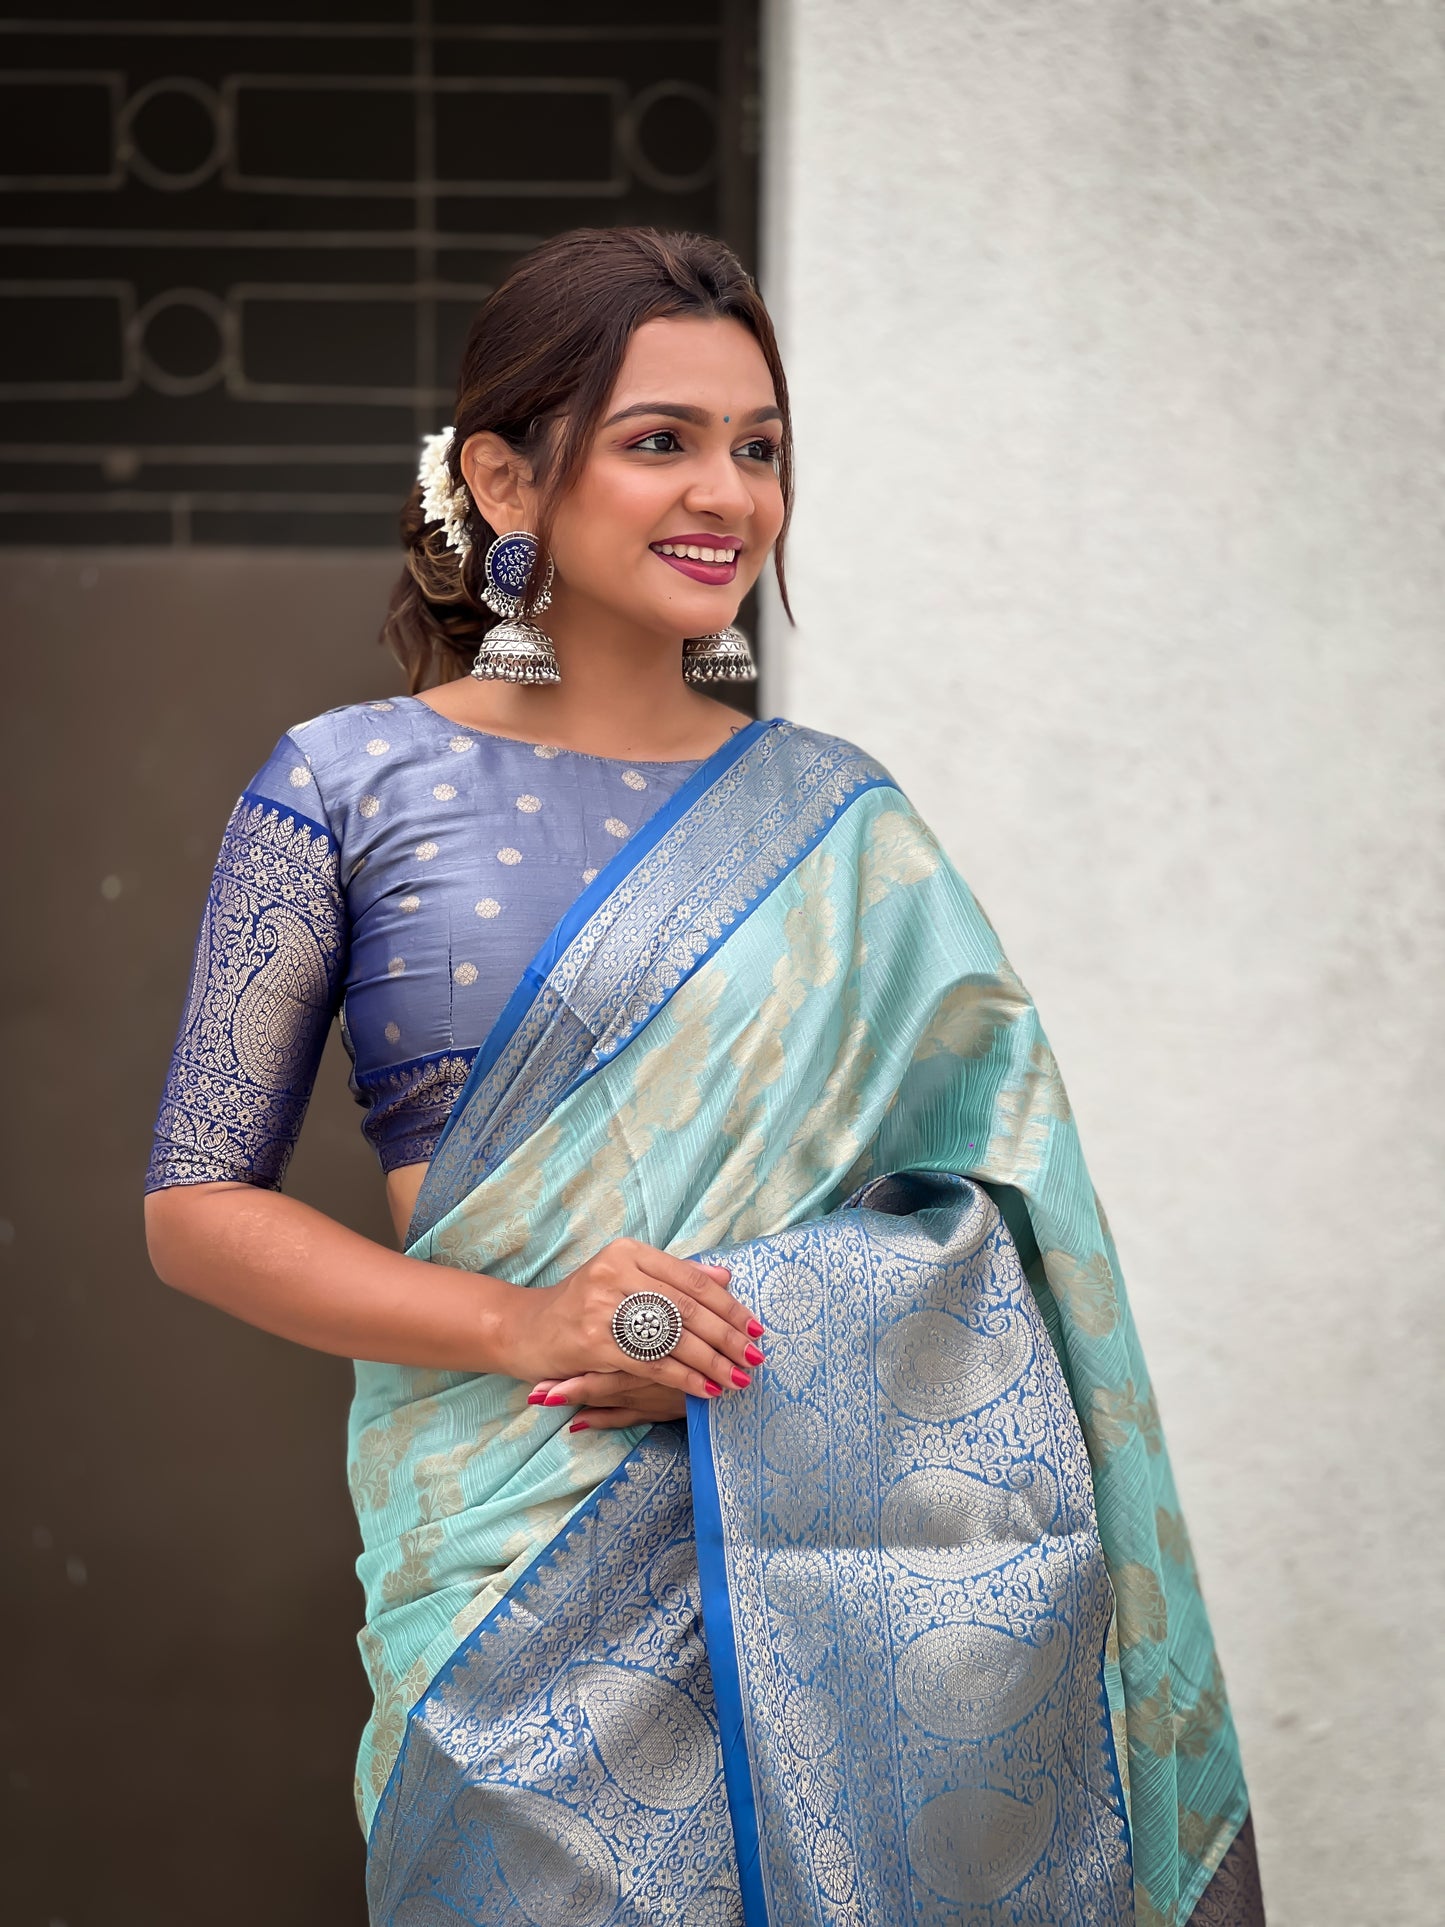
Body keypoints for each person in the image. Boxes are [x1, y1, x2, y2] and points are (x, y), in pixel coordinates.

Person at [143, 226, 1263, 1926]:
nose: (726, 494)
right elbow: (195, 1208)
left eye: (759, 447)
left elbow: (1005, 1226)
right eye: (660, 439)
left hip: (835, 1576)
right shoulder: (344, 788)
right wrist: (527, 1324)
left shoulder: (842, 825)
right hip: (501, 1571)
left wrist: (759, 1334)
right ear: (504, 479)